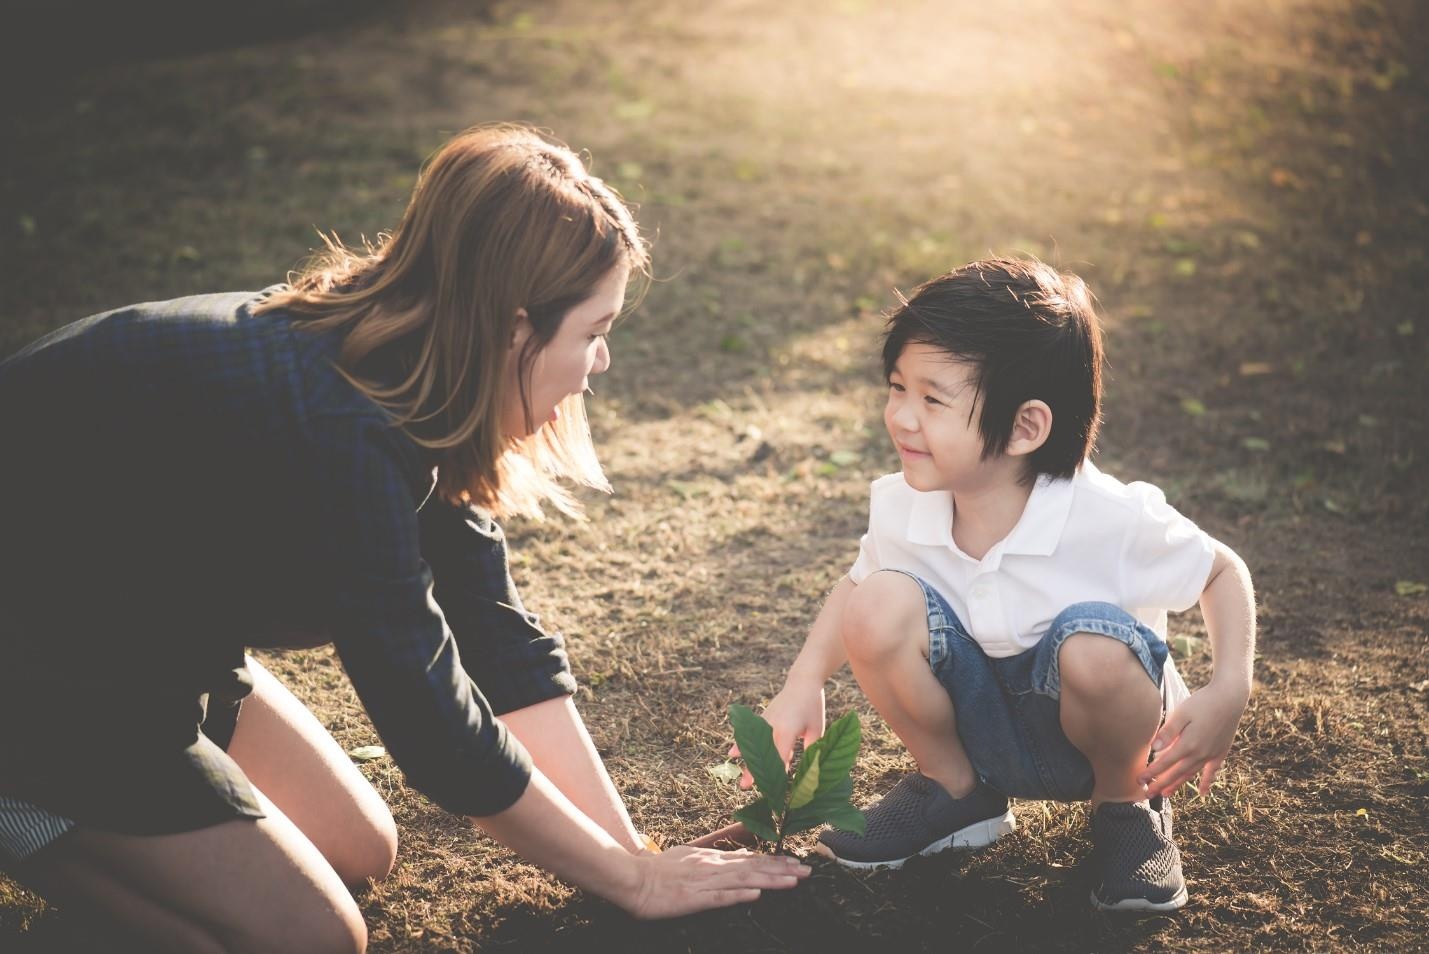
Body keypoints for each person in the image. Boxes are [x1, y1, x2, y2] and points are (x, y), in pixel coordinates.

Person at [0, 124, 808, 954]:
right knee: (309, 940)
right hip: (46, 668)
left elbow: (495, 642)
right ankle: (17, 804)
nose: (599, 363)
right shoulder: (340, 429)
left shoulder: (415, 375)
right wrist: (631, 883)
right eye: (593, 331)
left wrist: (633, 862)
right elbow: (431, 725)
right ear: (513, 328)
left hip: (146, 637)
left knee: (361, 851)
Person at [737, 258, 1255, 912]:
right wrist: (800, 684)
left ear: (1024, 427)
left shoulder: (1108, 517)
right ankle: (955, 791)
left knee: (1092, 641)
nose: (900, 416)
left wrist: (1229, 687)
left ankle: (1127, 812)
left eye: (931, 399)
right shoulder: (907, 504)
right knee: (875, 603)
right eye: (896, 388)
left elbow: (1219, 570)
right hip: (979, 729)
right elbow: (854, 587)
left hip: (1101, 740)